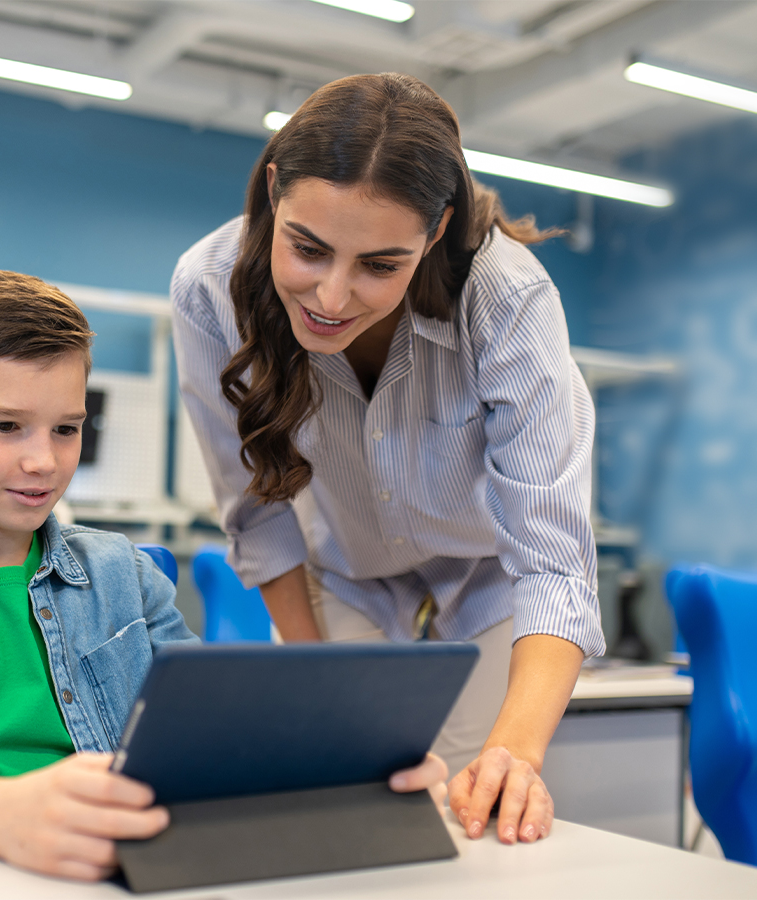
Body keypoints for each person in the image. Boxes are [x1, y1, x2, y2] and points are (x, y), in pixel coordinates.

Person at [0, 270, 447, 879]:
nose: (44, 460)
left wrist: (351, 769)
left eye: (66, 429)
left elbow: (209, 741)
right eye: (6, 426)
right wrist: (2, 814)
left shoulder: (125, 575)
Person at [172, 73, 605, 848]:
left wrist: (517, 753)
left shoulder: (508, 299)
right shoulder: (209, 290)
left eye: (380, 264)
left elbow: (553, 563)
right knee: (341, 806)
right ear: (275, 191)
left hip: (490, 582)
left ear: (435, 232)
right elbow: (257, 515)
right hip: (342, 577)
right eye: (307, 248)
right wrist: (320, 694)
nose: (331, 297)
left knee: (473, 819)